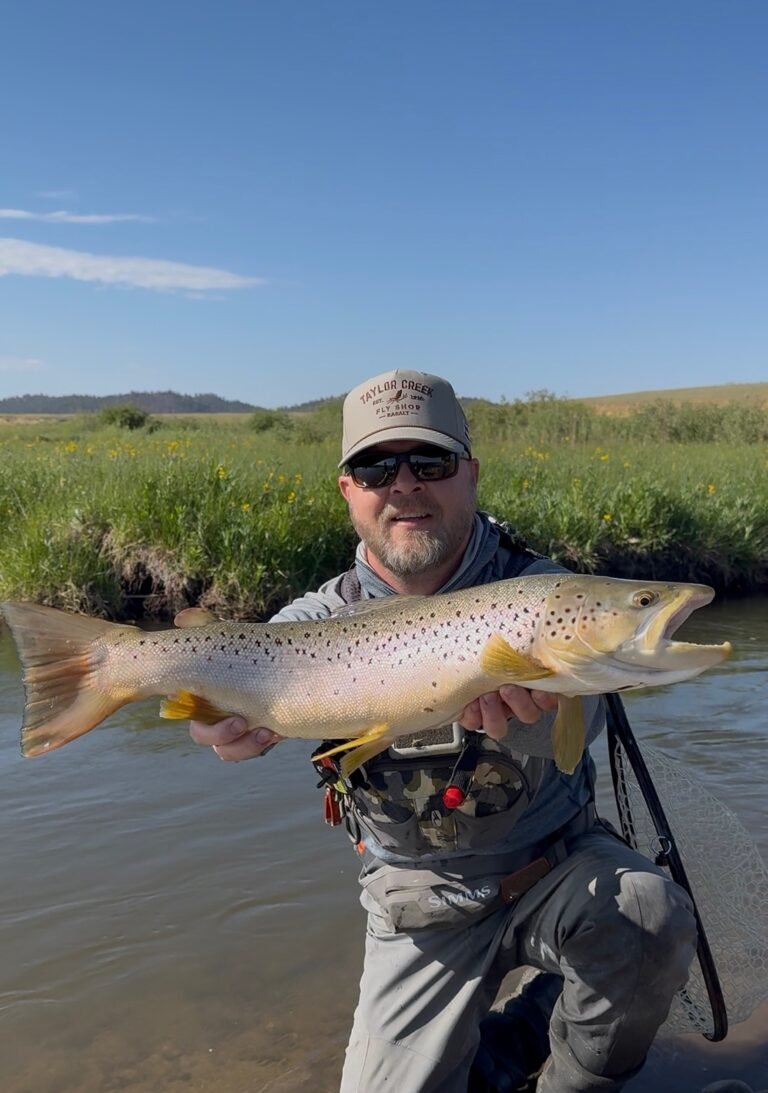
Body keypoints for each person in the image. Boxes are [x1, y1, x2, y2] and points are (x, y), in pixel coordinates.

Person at [189, 370, 698, 1093]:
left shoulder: (543, 595)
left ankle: (571, 1077)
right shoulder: (309, 625)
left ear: (471, 475)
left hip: (555, 869)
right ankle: (515, 1037)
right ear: (348, 490)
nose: (404, 485)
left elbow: (578, 739)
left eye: (430, 462)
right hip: (417, 905)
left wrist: (533, 719)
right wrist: (217, 726)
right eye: (376, 466)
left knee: (651, 915)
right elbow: (225, 680)